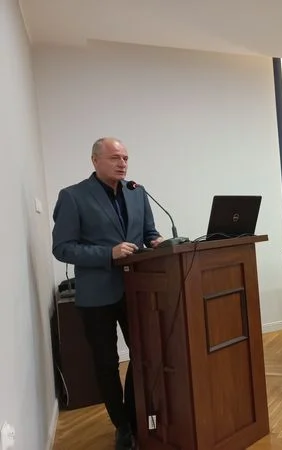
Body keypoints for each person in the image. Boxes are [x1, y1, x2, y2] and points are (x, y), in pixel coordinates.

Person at [52, 137, 164, 450]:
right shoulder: (73, 196)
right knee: (106, 363)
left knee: (143, 355)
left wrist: (156, 242)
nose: (122, 163)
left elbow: (149, 233)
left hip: (135, 289)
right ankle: (122, 427)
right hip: (96, 295)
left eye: (125, 158)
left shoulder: (137, 192)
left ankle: (135, 414)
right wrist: (107, 254)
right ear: (95, 160)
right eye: (115, 157)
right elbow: (62, 248)